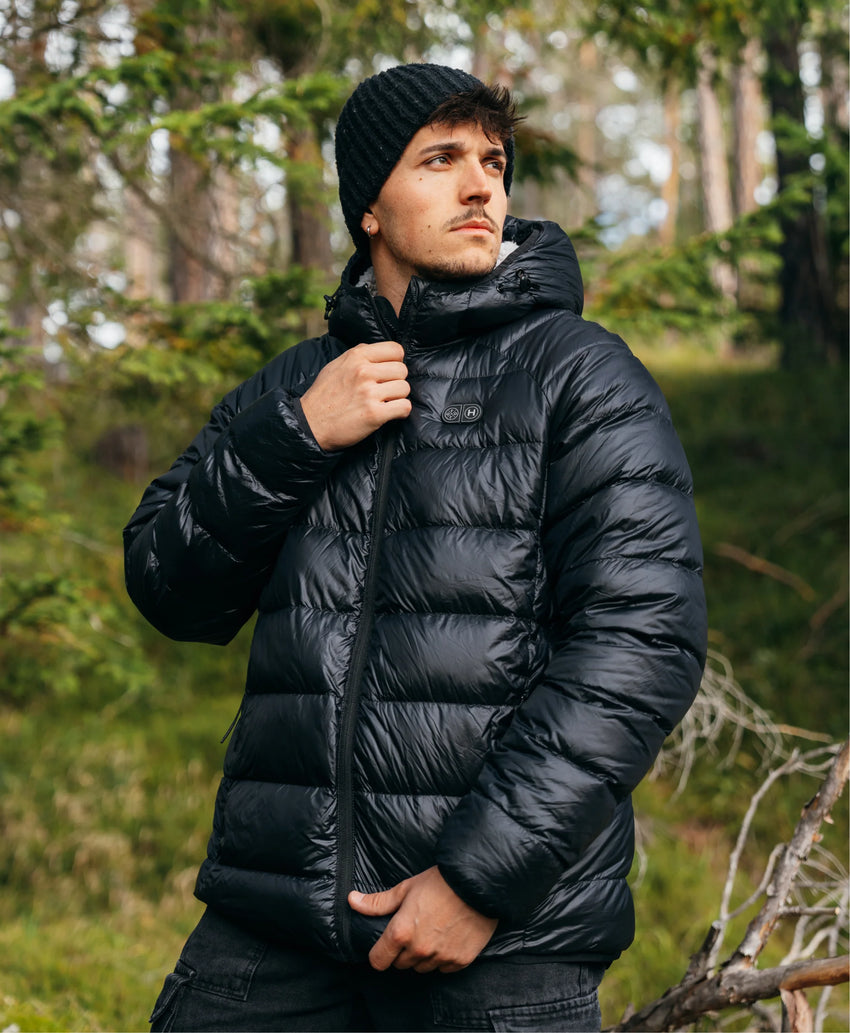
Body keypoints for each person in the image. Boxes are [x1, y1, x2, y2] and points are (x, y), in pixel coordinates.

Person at [126, 62, 707, 1033]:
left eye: (493, 161)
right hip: (276, 923)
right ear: (369, 208)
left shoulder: (578, 376)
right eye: (440, 159)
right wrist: (296, 435)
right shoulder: (299, 386)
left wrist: (479, 879)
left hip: (497, 946)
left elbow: (642, 641)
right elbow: (170, 587)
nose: (480, 186)